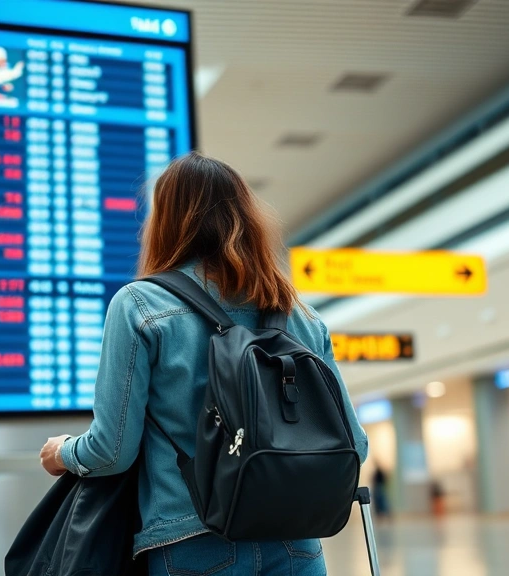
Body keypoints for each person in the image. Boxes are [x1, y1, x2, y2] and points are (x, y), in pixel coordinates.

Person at [38, 152, 369, 576]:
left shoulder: (140, 305)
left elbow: (112, 451)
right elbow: (354, 447)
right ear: (248, 218)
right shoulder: (300, 317)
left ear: (166, 222)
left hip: (193, 542)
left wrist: (62, 452)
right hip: (298, 546)